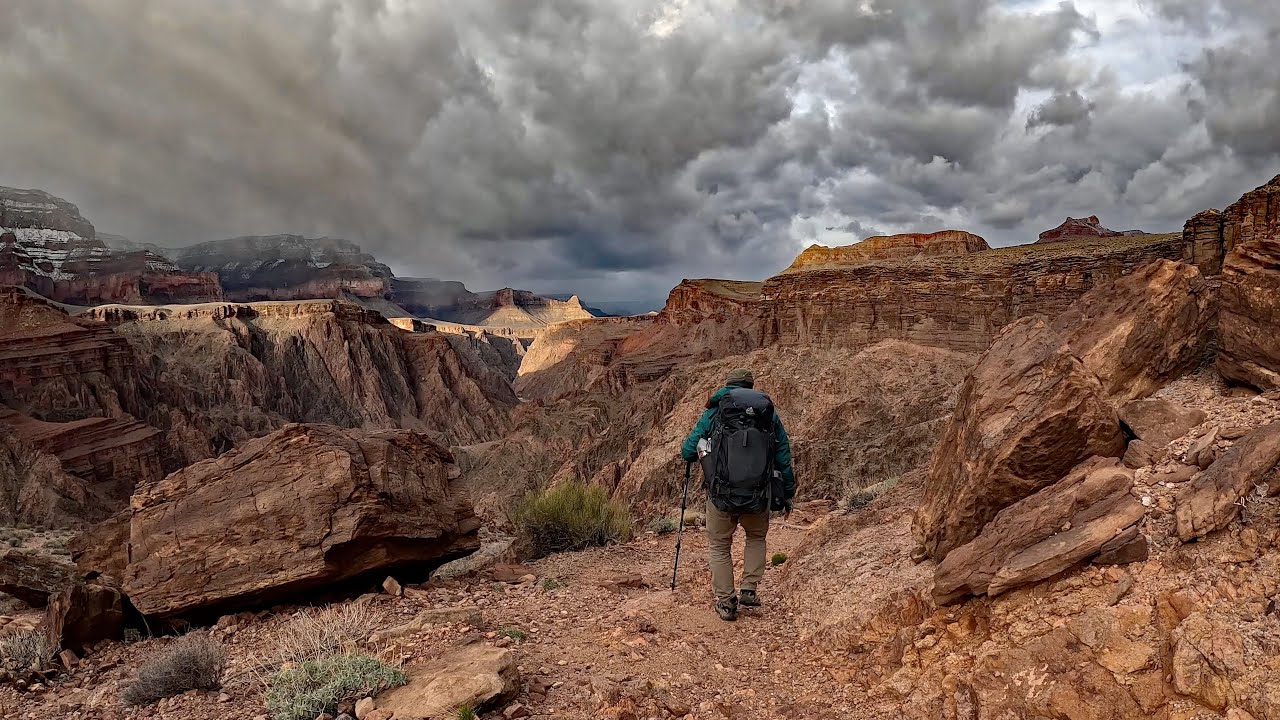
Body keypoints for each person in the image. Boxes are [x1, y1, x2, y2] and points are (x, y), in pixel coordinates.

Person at [680, 368, 796, 621]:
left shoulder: (716, 412)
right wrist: (787, 493)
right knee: (756, 537)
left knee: (720, 546)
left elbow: (688, 450)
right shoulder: (767, 416)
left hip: (721, 494)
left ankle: (726, 602)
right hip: (758, 493)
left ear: (728, 386)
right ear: (751, 387)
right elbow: (783, 456)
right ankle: (749, 590)